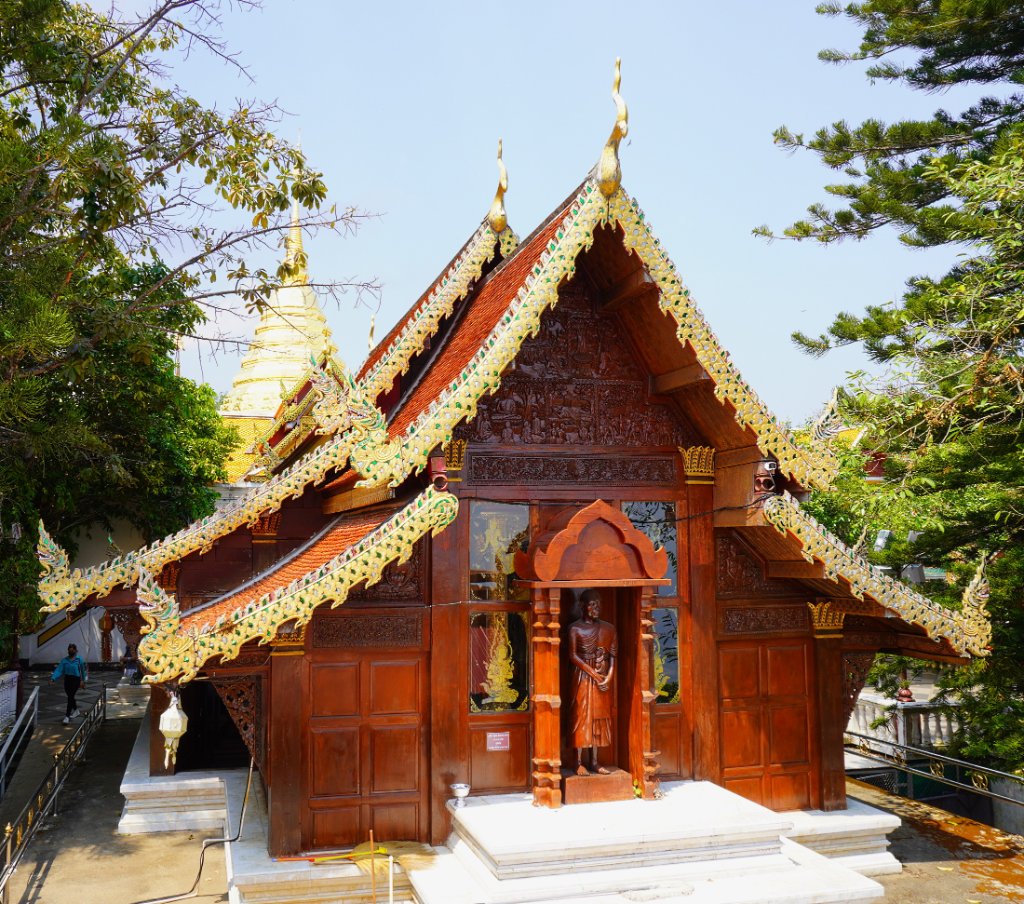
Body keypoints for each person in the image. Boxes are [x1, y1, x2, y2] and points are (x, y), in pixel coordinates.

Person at [568, 589, 617, 776]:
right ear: (582, 606)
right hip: (582, 677)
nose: (597, 608)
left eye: (599, 604)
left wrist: (608, 678)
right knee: (581, 717)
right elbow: (573, 656)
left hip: (602, 678)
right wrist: (594, 675)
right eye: (592, 604)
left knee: (599, 720)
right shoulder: (575, 629)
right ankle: (578, 761)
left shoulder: (608, 629)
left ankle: (595, 761)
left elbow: (612, 657)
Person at [51, 643, 88, 724]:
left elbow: (83, 671)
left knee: (70, 697)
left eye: (72, 650)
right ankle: (76, 710)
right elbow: (59, 670)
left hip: (76, 680)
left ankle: (67, 717)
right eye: (69, 650)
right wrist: (53, 678)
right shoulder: (64, 660)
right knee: (70, 696)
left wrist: (83, 681)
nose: (71, 652)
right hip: (67, 680)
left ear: (75, 650)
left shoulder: (79, 659)